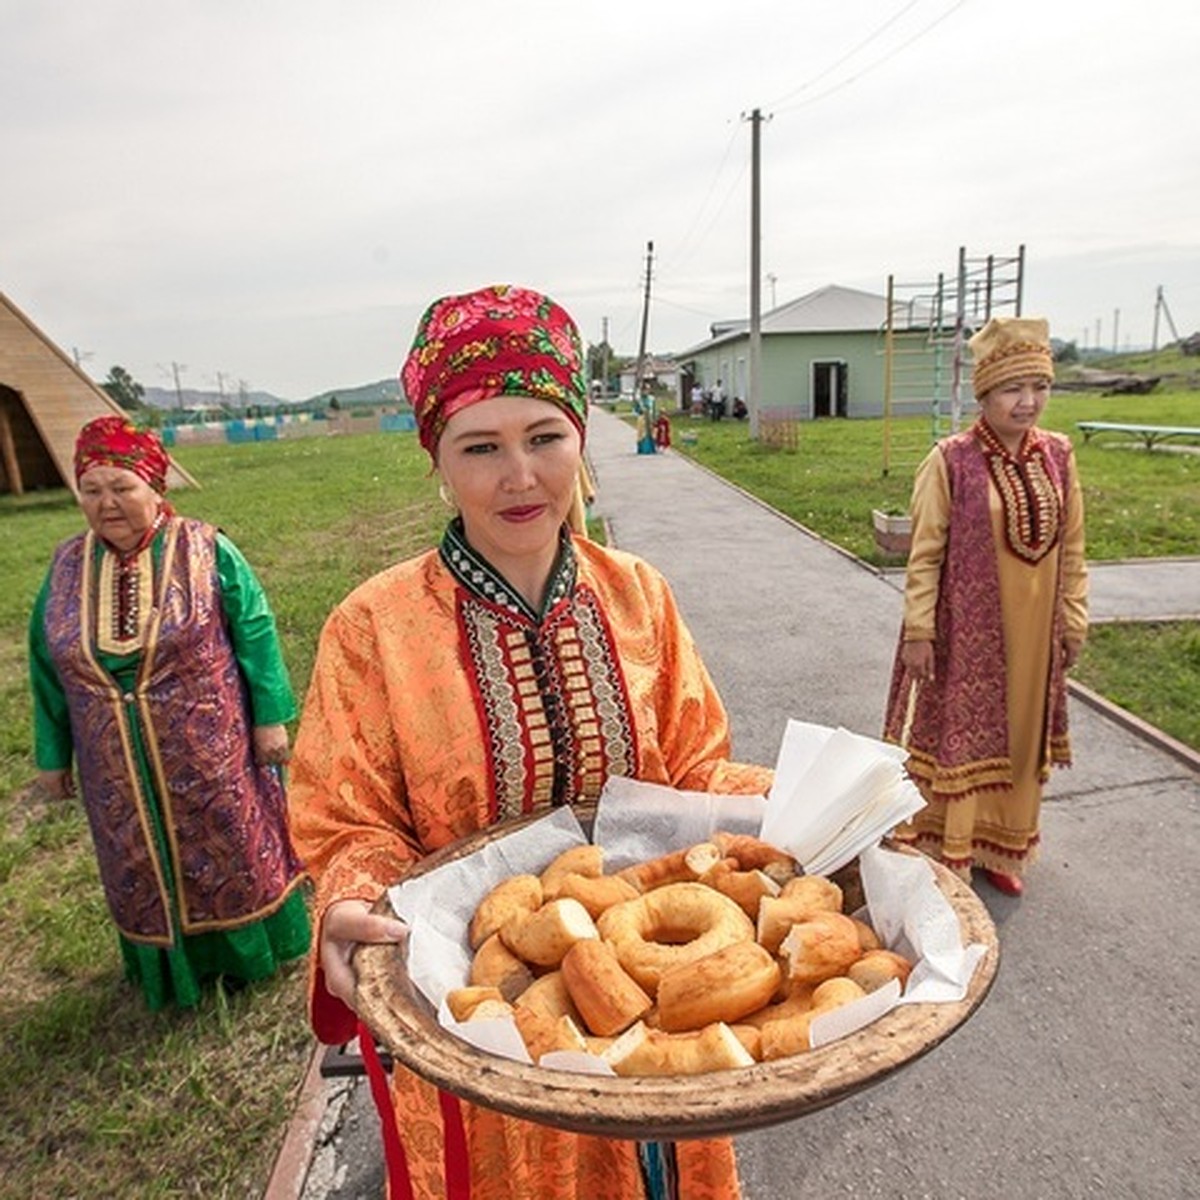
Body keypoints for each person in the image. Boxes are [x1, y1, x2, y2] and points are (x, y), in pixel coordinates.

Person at [287, 283, 772, 1200]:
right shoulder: (373, 628)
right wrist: (351, 899)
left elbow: (698, 770)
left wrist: (818, 805)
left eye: (544, 438)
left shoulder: (639, 595)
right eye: (481, 447)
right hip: (486, 1022)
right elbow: (349, 824)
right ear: (437, 460)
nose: (520, 476)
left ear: (581, 442)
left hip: (652, 1011)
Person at [29, 415, 310, 1009]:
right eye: (92, 489)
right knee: (136, 859)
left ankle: (250, 959)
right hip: (116, 770)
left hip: (212, 749)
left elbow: (255, 633)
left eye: (122, 487)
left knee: (230, 844)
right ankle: (168, 973)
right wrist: (52, 758)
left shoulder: (207, 550)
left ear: (156, 488)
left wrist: (270, 718)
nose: (107, 504)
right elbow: (45, 666)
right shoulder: (64, 567)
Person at [882, 316, 1088, 897]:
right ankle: (954, 848)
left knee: (1021, 741)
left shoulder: (1060, 457)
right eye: (1012, 389)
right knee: (964, 738)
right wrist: (920, 629)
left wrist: (1073, 618)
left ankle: (1005, 845)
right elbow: (925, 554)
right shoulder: (951, 461)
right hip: (966, 633)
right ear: (985, 393)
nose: (1028, 403)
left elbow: (1073, 547)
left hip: (1035, 632)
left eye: (1040, 387)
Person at [632, 380, 657, 454]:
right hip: (642, 418)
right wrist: (640, 411)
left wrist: (654, 418)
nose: (646, 391)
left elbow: (654, 409)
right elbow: (635, 409)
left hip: (650, 418)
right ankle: (643, 449)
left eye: (648, 390)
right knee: (643, 433)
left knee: (651, 433)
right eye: (645, 390)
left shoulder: (652, 399)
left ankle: (651, 448)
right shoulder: (639, 400)